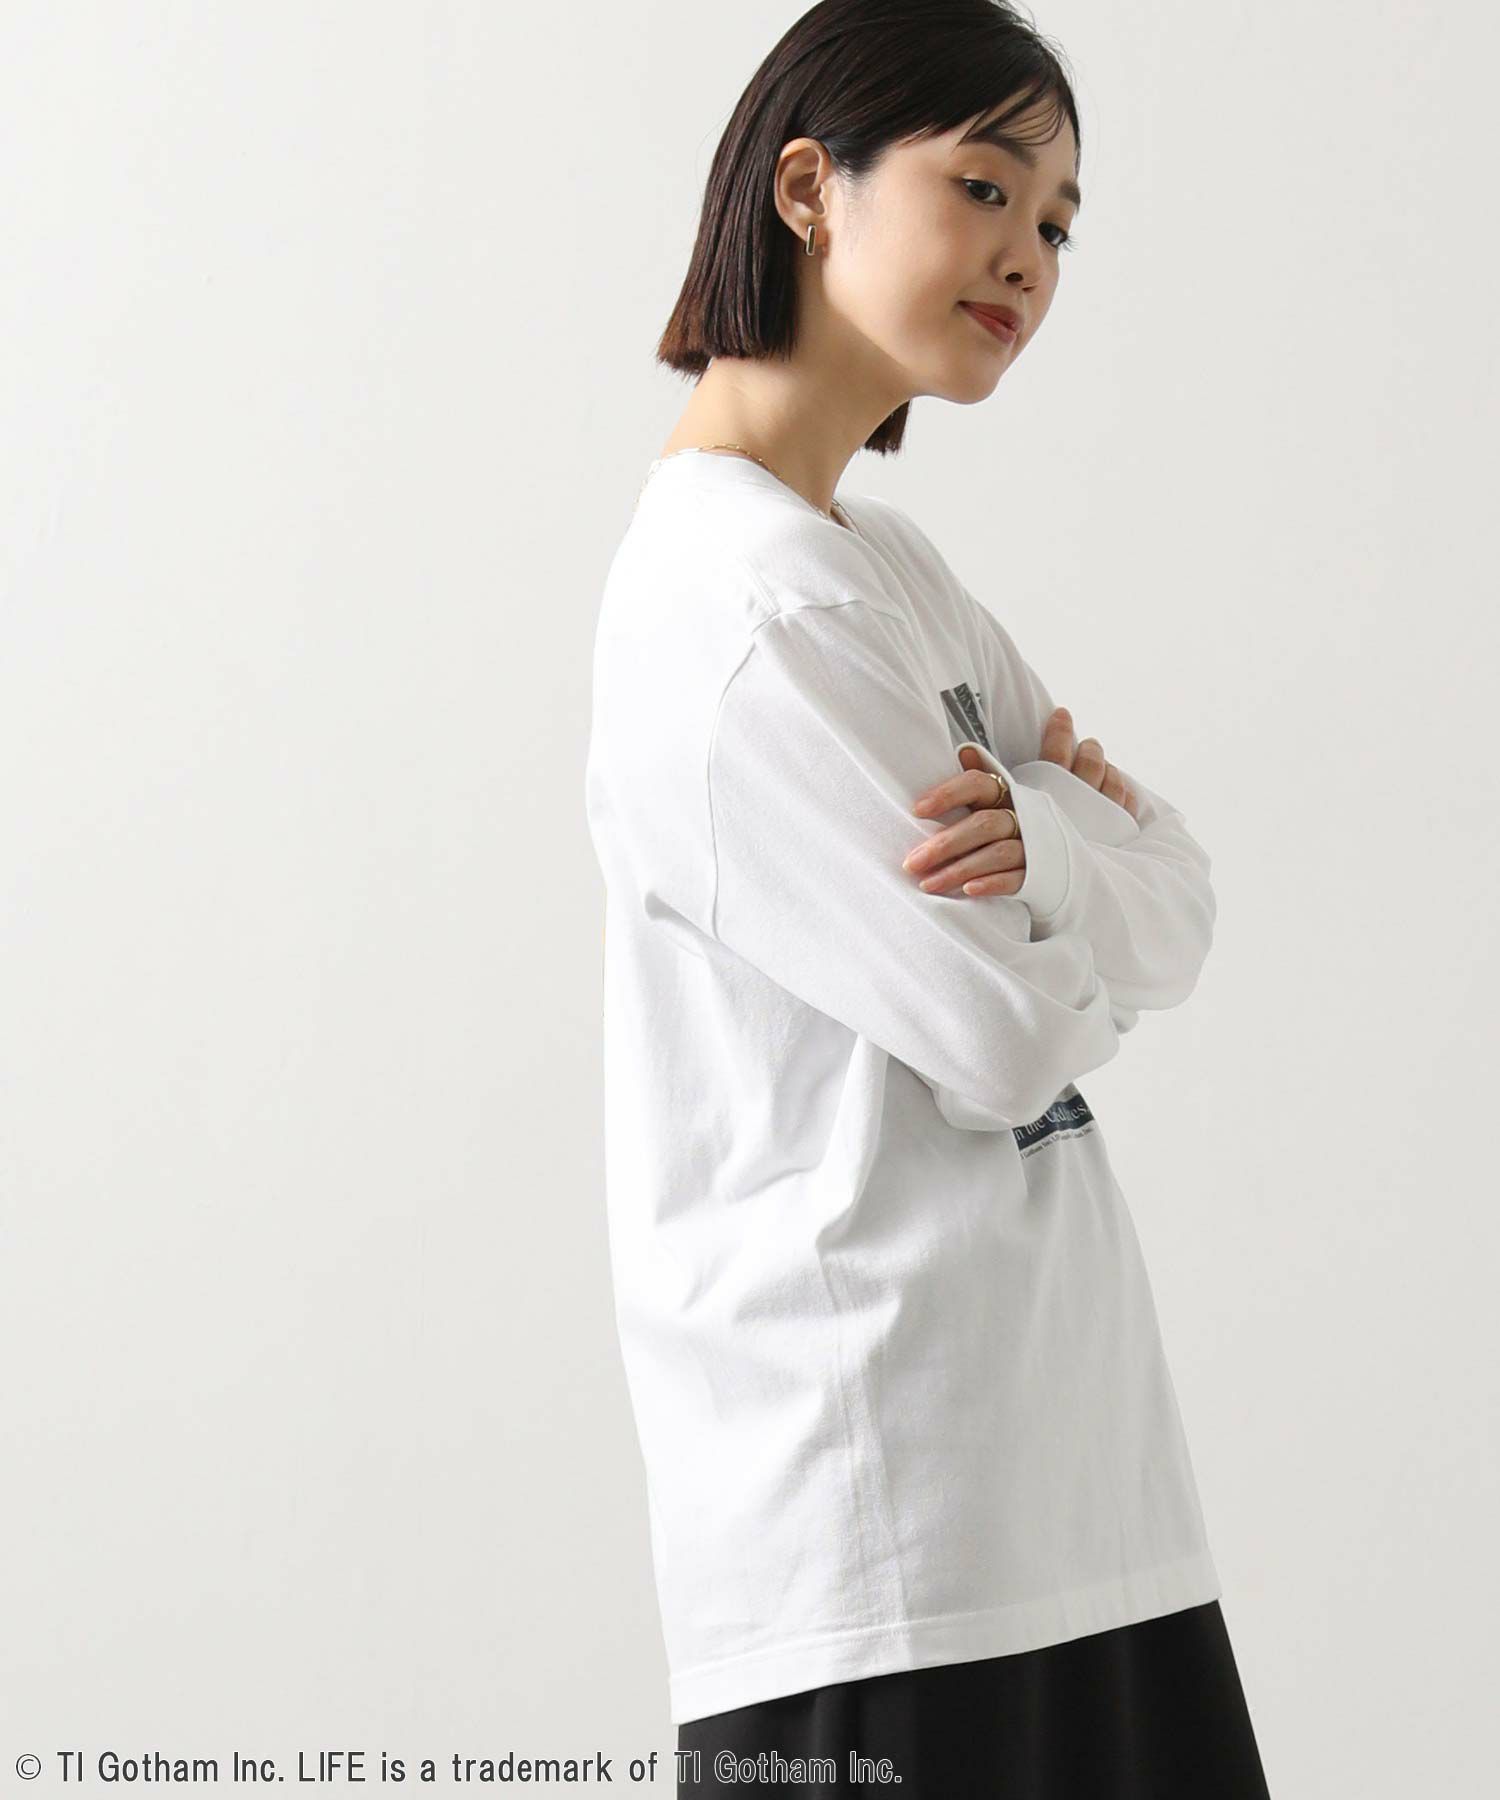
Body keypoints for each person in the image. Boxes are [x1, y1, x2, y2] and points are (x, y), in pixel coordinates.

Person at [583, 2, 1272, 1793]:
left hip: (1080, 1503)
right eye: (985, 188)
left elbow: (1184, 897)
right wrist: (1086, 867)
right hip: (880, 1535)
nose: (1028, 258)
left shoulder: (883, 565)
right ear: (808, 188)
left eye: (1057, 225)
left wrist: (1053, 845)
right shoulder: (748, 613)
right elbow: (1005, 1035)